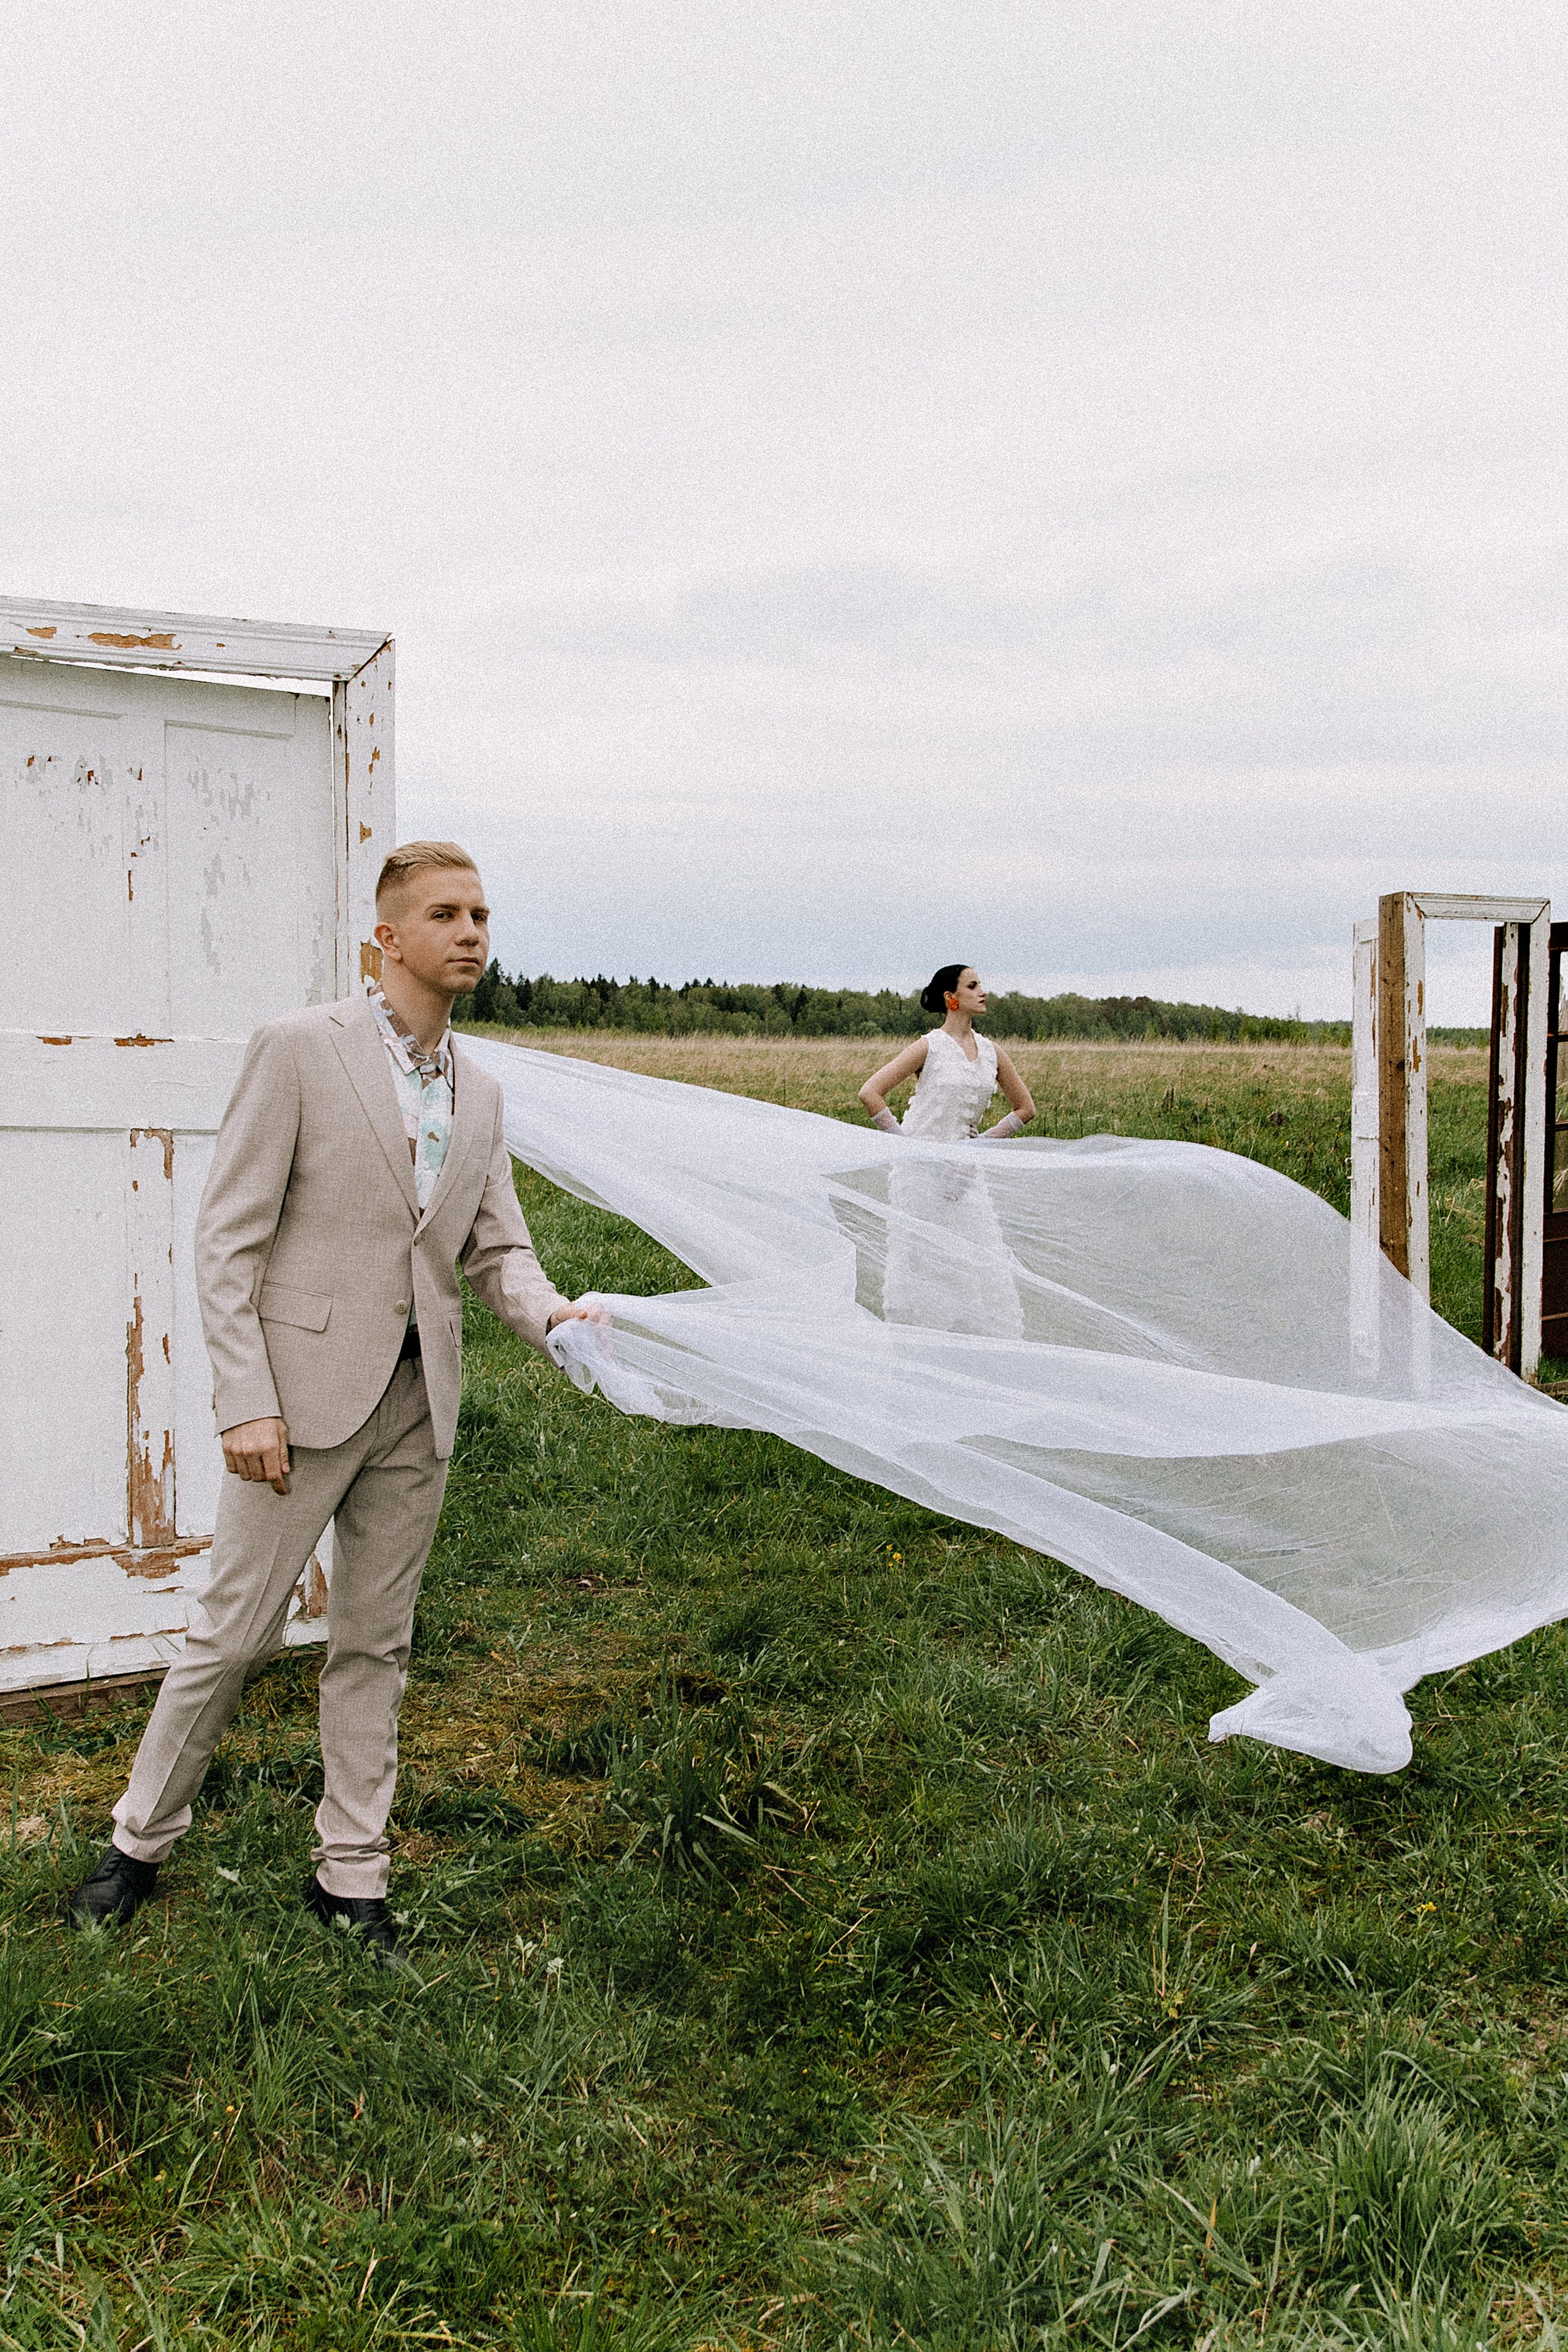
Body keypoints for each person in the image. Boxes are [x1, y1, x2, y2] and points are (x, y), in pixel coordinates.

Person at [68, 842, 609, 1971]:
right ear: (389, 938)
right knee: (233, 1634)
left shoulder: (483, 1089)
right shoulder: (299, 1052)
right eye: (446, 915)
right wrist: (245, 1402)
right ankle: (138, 1843)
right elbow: (229, 1240)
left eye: (482, 914)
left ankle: (349, 1877)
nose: (471, 932)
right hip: (299, 1405)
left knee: (376, 1642)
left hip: (421, 1401)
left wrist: (553, 1316)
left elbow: (494, 1247)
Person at [858, 964, 1036, 1141]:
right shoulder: (929, 1046)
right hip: (919, 1160)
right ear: (950, 996)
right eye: (972, 986)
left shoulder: (992, 1052)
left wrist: (986, 1141)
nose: (982, 992)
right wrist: (902, 1142)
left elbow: (1026, 1109)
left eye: (980, 985)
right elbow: (869, 1093)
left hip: (965, 1163)